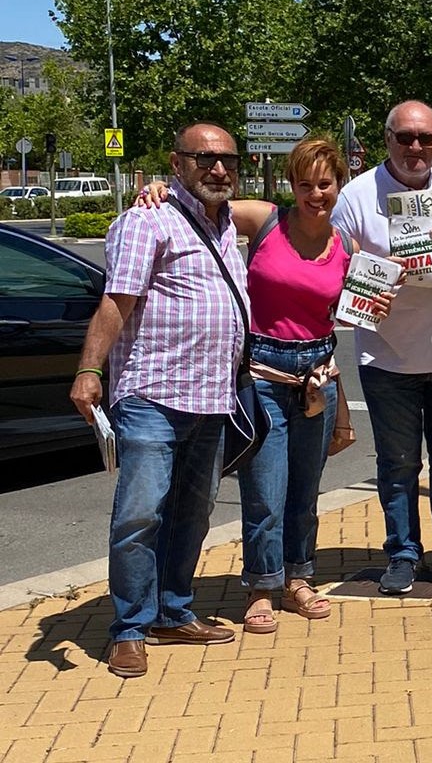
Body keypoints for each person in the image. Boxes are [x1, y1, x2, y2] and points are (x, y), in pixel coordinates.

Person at [136, 136, 375, 633]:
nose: (315, 194)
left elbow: (341, 321)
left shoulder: (346, 248)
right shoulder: (265, 220)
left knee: (305, 491)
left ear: (339, 187)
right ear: (291, 186)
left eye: (325, 184)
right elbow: (201, 203)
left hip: (317, 378)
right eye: (305, 184)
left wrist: (375, 310)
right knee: (265, 490)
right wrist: (161, 187)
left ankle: (298, 579)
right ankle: (262, 586)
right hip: (261, 374)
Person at [69, 124, 246, 678]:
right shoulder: (146, 219)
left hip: (212, 398)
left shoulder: (227, 223)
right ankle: (128, 628)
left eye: (227, 160)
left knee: (192, 514)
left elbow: (293, 206)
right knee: (140, 515)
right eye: (203, 158)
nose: (217, 169)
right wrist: (89, 369)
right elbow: (116, 301)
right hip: (153, 395)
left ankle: (173, 609)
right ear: (177, 162)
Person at [332, 100, 432, 594]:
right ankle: (403, 551)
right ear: (386, 139)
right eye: (404, 137)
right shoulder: (357, 195)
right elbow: (332, 263)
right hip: (385, 356)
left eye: (425, 138)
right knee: (399, 464)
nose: (415, 147)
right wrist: (367, 271)